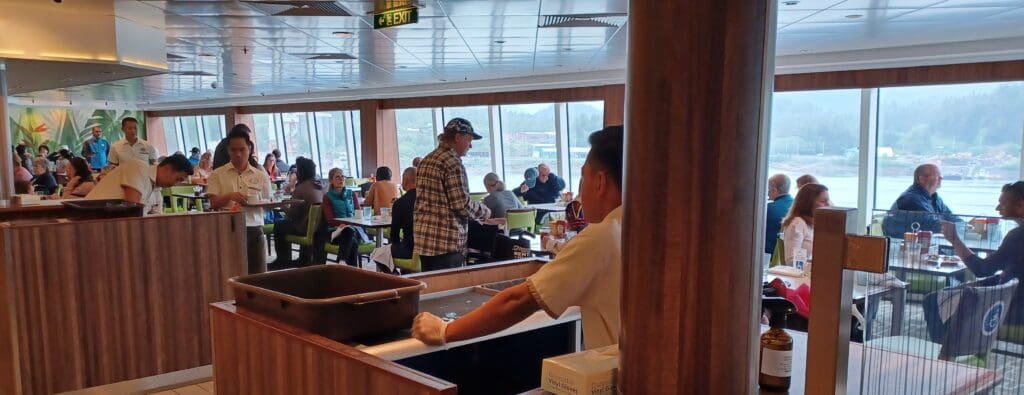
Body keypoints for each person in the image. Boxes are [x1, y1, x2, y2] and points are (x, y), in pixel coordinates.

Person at [412, 125, 624, 350]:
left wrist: (445, 330)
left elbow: (519, 301)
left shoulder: (600, 237)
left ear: (600, 182)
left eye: (583, 178)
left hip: (617, 377)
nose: (580, 196)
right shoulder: (645, 231)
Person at [939, 181, 1024, 325]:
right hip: (1013, 297)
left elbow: (982, 269)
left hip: (1011, 307)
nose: (997, 208)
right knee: (953, 293)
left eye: (1002, 204)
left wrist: (954, 239)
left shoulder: (1018, 235)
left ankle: (948, 346)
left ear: (1020, 205)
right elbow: (1013, 270)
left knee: (937, 302)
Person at [413, 117, 492, 271]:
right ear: (457, 137)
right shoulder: (452, 163)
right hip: (446, 242)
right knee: (448, 291)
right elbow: (460, 204)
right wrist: (484, 211)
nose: (471, 145)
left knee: (432, 290)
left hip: (424, 240)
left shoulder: (426, 160)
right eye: (469, 140)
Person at [207, 128, 274, 274]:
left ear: (249, 149)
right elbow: (213, 203)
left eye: (242, 149)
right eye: (233, 150)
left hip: (254, 228)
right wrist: (230, 196)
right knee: (230, 272)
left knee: (258, 274)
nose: (238, 154)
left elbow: (269, 205)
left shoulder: (261, 175)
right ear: (228, 150)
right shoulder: (217, 174)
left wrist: (266, 203)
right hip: (227, 228)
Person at [268, 157, 324, 268]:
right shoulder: (320, 186)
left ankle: (282, 260)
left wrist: (281, 205)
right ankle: (304, 258)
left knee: (279, 225)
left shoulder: (301, 188)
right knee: (287, 223)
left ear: (301, 172)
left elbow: (292, 214)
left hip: (304, 228)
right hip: (318, 228)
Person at [86, 154, 193, 212]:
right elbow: (131, 210)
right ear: (168, 169)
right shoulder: (138, 167)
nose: (175, 184)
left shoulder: (154, 186)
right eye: (178, 179)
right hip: (88, 221)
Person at [882, 164, 961, 237]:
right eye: (937, 175)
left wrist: (966, 226)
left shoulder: (935, 198)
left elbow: (952, 218)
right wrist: (957, 227)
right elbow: (933, 225)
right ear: (921, 179)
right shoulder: (910, 199)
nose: (941, 178)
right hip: (907, 247)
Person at [781, 183, 831, 265]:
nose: (828, 204)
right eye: (823, 201)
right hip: (803, 275)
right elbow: (791, 261)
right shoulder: (798, 223)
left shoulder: (819, 223)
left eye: (828, 200)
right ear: (808, 203)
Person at [390, 167, 417, 259]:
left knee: (377, 253)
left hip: (408, 249)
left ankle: (392, 273)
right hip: (427, 251)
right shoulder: (427, 199)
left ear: (405, 181)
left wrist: (397, 245)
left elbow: (394, 233)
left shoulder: (400, 203)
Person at [765, 174, 794, 254]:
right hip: (789, 252)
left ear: (774, 190)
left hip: (769, 255)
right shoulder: (797, 205)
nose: (767, 193)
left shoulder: (769, 209)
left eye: (768, 189)